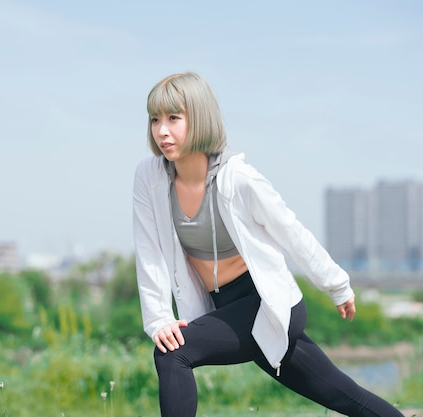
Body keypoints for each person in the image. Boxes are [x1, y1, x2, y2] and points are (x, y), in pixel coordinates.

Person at [132, 72, 404, 417]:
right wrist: (159, 319)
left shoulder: (237, 179)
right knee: (343, 396)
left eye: (173, 118)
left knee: (173, 354)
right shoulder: (150, 178)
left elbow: (291, 231)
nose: (162, 131)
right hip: (228, 309)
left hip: (269, 304)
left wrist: (337, 285)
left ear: (200, 118)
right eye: (155, 119)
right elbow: (149, 252)